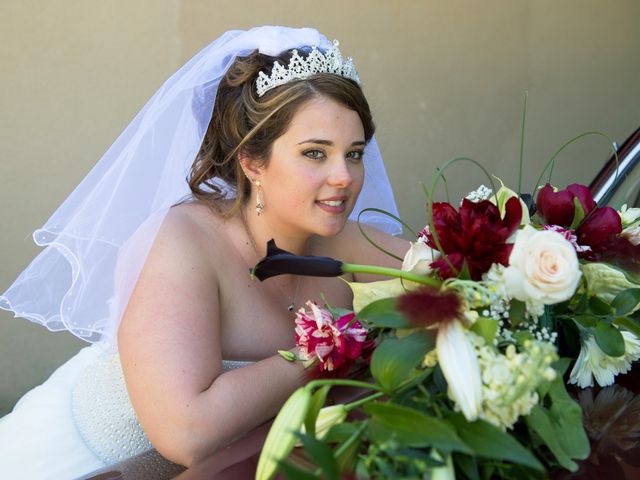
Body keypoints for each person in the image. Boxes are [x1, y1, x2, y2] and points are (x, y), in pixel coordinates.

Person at [0, 26, 408, 479]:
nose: (345, 177)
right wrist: (322, 351)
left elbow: (457, 277)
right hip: (84, 464)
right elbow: (185, 434)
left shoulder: (346, 240)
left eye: (354, 154)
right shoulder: (184, 242)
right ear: (252, 162)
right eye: (315, 153)